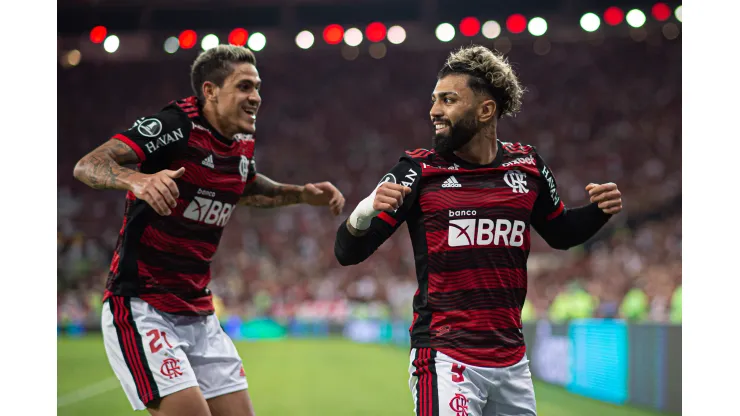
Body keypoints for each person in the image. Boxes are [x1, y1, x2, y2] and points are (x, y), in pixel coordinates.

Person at [334, 45, 622, 416]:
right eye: (434, 100)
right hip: (445, 355)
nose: (434, 111)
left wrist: (598, 212)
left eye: (448, 100)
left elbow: (561, 232)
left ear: (486, 110)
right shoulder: (417, 171)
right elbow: (348, 252)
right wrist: (363, 211)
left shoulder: (528, 165)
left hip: (511, 361)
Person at [73, 44, 345, 416]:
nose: (256, 98)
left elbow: (243, 187)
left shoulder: (242, 142)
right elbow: (89, 164)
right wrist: (137, 179)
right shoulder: (174, 128)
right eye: (245, 87)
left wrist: (299, 194)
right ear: (210, 91)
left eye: (258, 87)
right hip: (142, 305)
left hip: (199, 313)